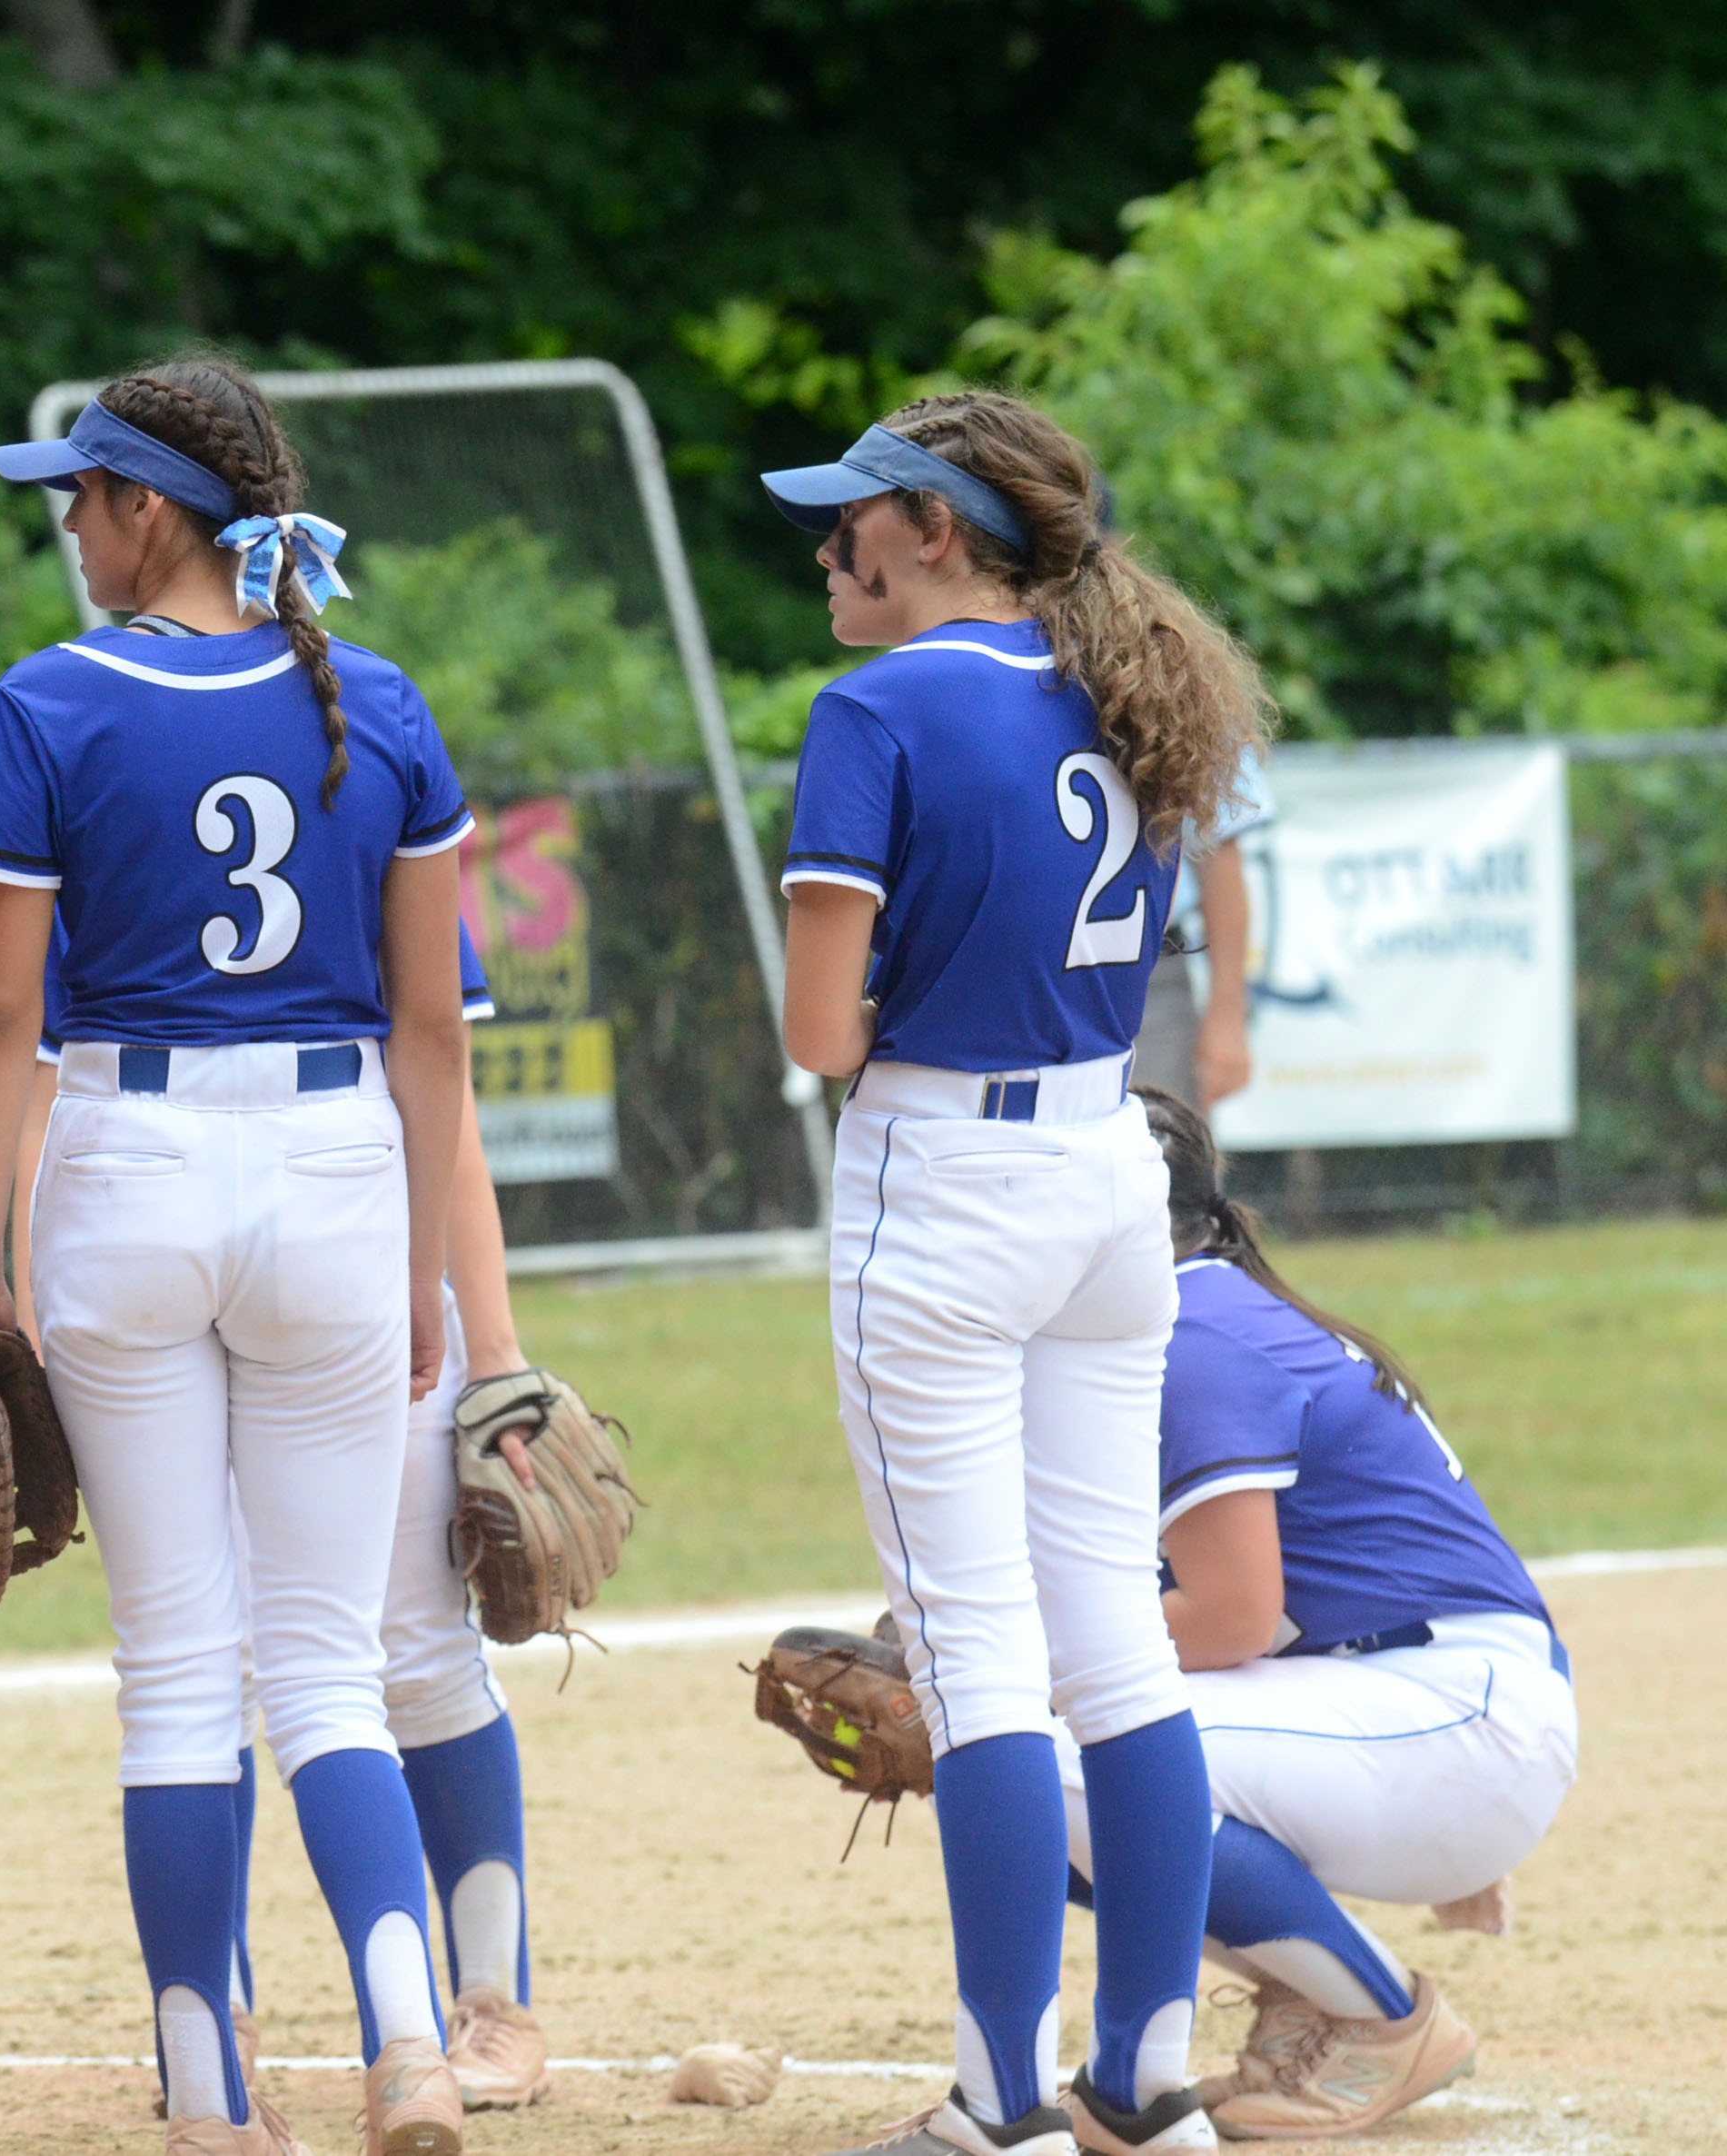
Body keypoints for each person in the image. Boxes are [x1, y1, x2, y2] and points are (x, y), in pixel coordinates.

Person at [0, 353, 475, 2156]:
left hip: (127, 1162)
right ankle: (411, 2043)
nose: (71, 527)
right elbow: (433, 1029)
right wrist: (427, 1267)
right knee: (326, 1661)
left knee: (181, 1668)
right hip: (337, 1164)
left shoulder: (52, 700)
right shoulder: (377, 697)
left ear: (146, 510)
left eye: (81, 496)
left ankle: (207, 2096)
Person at [763, 393, 1273, 2156]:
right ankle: (1141, 2077)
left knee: (981, 1661)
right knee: (1113, 1651)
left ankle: (998, 2103)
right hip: (1102, 1170)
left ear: (933, 530)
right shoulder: (1135, 684)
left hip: (944, 1172)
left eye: (853, 521)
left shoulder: (877, 705)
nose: (828, 550)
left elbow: (818, 1026)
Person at [14, 921, 556, 2116]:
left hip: (370, 1268)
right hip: (190, 1262)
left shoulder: (359, 765)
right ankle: (228, 2023)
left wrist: (498, 1349)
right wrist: (34, 1315)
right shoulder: (124, 790)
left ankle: (489, 2003)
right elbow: (49, 1087)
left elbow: (440, 1093)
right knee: (227, 1662)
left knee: (408, 1641)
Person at [1057, 1089, 1574, 2140]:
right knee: (1035, 1762)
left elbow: (1234, 1613)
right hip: (1403, 1705)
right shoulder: (1189, 1315)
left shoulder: (1194, 1333)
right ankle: (1314, 1994)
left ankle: (1380, 2014)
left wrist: (1019, 1666)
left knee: (1073, 1752)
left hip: (1454, 1716)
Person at [1128, 760, 1265, 1108]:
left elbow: (1217, 850)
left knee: (1165, 1144)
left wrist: (1227, 1016)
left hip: (1149, 975)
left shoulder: (1185, 706)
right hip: (1021, 963)